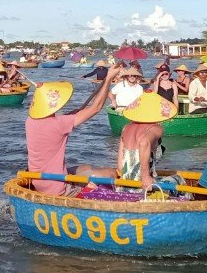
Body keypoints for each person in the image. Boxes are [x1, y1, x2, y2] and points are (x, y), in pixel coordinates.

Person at [25, 66, 122, 195]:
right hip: (57, 187)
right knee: (110, 174)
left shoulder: (30, 121)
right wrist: (109, 78)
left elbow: (56, 122)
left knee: (86, 168)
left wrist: (75, 113)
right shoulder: (59, 124)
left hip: (39, 180)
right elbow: (96, 108)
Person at [117, 93, 173, 190]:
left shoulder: (126, 128)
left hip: (125, 184)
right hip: (143, 187)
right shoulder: (155, 128)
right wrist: (145, 176)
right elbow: (144, 142)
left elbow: (120, 166)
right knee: (179, 180)